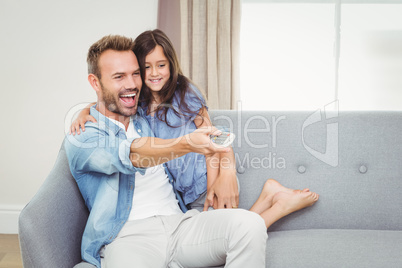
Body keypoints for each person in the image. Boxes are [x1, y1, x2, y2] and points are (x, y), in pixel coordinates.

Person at [65, 34, 318, 268]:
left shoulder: (143, 114)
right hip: (128, 237)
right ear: (95, 82)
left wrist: (227, 167)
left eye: (134, 74)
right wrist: (185, 143)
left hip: (180, 224)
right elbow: (130, 153)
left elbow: (214, 133)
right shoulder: (84, 137)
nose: (132, 84)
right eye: (119, 77)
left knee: (249, 224)